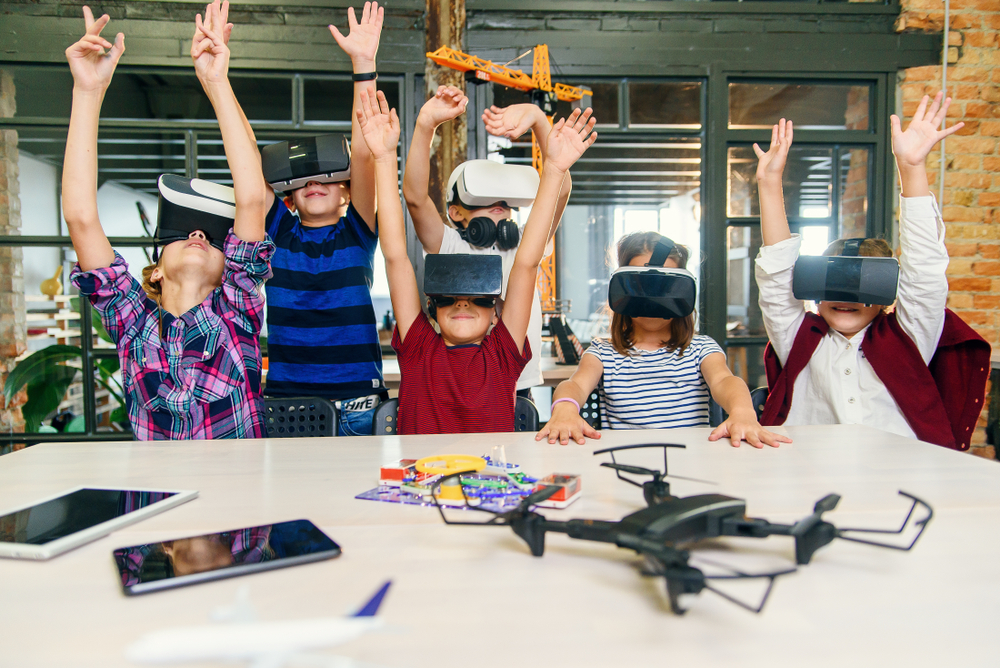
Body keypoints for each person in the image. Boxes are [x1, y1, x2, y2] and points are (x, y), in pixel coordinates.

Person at [66, 3, 273, 440]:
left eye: (214, 239)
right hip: (154, 501)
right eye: (182, 232)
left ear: (228, 270)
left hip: (239, 501)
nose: (199, 234)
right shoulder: (132, 323)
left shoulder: (235, 312)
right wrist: (87, 93)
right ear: (155, 268)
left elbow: (252, 197)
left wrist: (216, 83)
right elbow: (82, 217)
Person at [754, 95, 990, 449]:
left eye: (862, 285)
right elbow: (775, 277)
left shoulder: (910, 336)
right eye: (833, 282)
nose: (844, 296)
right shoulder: (798, 338)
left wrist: (911, 168)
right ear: (815, 288)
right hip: (808, 474)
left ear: (885, 297)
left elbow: (924, 274)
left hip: (899, 477)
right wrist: (769, 183)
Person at [359, 89, 597, 434]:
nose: (463, 305)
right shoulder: (420, 348)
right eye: (449, 297)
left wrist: (556, 165)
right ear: (431, 303)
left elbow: (527, 264)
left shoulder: (500, 354)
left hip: (497, 444)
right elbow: (395, 256)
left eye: (480, 298)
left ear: (495, 312)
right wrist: (384, 158)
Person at [259, 2, 385, 436]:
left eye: (328, 178)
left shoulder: (357, 232)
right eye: (304, 180)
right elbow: (248, 175)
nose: (316, 182)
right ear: (290, 194)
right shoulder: (278, 235)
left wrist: (363, 66)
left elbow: (366, 153)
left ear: (346, 190)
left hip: (358, 404)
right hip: (287, 406)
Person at [536, 232, 789, 447]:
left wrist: (743, 411)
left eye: (665, 288)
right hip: (622, 461)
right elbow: (576, 385)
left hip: (690, 460)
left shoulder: (701, 349)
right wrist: (565, 409)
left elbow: (725, 381)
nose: (653, 300)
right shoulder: (604, 352)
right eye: (641, 286)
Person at [402, 88, 574, 397]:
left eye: (505, 200)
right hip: (457, 383)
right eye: (485, 199)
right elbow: (414, 198)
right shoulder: (449, 243)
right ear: (456, 212)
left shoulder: (524, 245)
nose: (499, 202)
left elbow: (559, 190)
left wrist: (537, 119)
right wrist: (426, 124)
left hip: (517, 387)